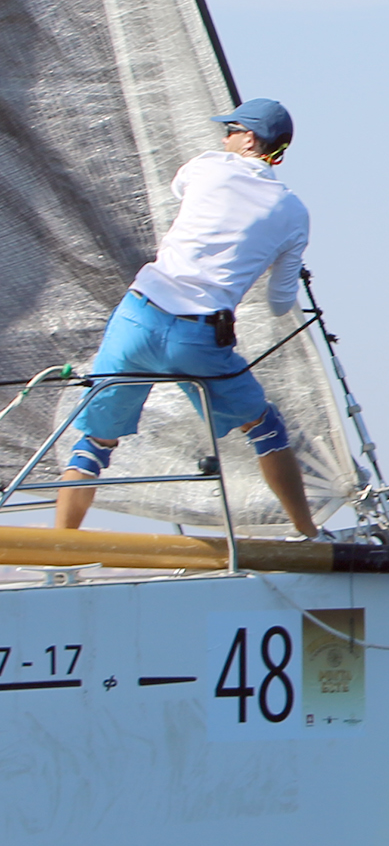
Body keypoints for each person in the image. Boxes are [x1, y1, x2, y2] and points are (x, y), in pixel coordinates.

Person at [56, 100, 321, 536]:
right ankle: (308, 534)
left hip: (138, 317)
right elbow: (279, 304)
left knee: (94, 443)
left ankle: (60, 549)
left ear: (249, 139)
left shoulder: (207, 166)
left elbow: (181, 188)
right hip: (197, 338)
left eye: (231, 130)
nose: (224, 137)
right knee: (266, 430)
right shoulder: (294, 213)